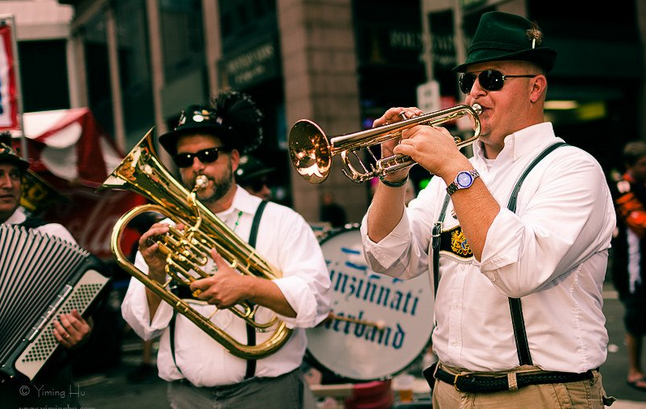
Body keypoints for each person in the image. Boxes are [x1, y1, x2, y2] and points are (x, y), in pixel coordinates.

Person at [360, 11, 615, 408]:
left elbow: (519, 270)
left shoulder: (573, 168)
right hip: (450, 390)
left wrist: (454, 168)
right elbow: (389, 258)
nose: (475, 92)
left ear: (535, 88)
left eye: (492, 79)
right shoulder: (461, 171)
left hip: (538, 393)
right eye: (468, 80)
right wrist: (393, 177)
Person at [121, 89, 331, 409]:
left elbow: (316, 303)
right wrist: (156, 271)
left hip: (265, 394)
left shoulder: (281, 221)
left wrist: (247, 286)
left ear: (233, 159)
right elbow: (143, 327)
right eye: (185, 159)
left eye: (207, 156)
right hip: (186, 397)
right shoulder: (165, 231)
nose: (196, 168)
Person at [0, 135, 94, 409]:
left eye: (14, 175)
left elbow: (85, 314)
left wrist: (81, 333)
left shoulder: (49, 235)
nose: (8, 184)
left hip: (45, 391)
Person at [610, 140, 646, 392]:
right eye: (643, 164)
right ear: (630, 166)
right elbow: (639, 222)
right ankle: (634, 370)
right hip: (633, 268)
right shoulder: (622, 187)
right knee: (636, 319)